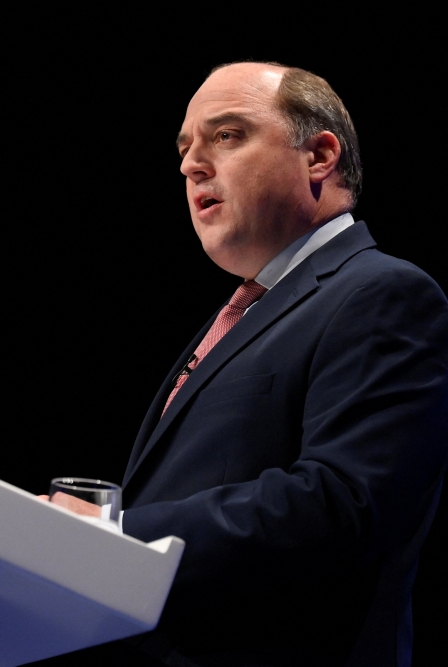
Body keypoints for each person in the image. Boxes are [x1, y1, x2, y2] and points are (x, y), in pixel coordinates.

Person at [53, 62, 448, 666]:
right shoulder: (248, 309)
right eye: (184, 148)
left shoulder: (381, 293)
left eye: (227, 135)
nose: (191, 164)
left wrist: (120, 534)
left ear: (319, 156)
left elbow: (341, 503)